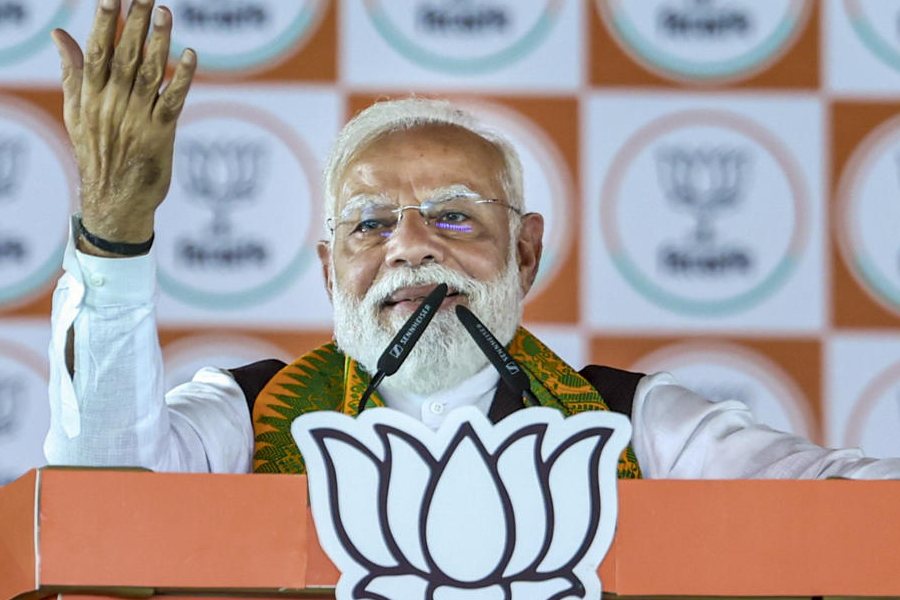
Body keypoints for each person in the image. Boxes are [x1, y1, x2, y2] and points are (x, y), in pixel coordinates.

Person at [44, 0, 900, 479]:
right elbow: (102, 481)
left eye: (454, 215)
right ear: (328, 269)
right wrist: (114, 236)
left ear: (526, 251)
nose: (410, 247)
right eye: (371, 225)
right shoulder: (248, 414)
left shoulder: (638, 423)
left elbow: (843, 501)